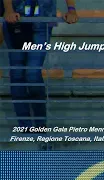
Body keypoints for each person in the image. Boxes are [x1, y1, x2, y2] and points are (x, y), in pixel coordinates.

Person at [2, 0, 78, 129]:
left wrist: (71, 9)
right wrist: (8, 10)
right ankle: (25, 128)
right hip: (15, 20)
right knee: (17, 74)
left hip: (43, 20)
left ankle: (40, 126)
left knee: (32, 74)